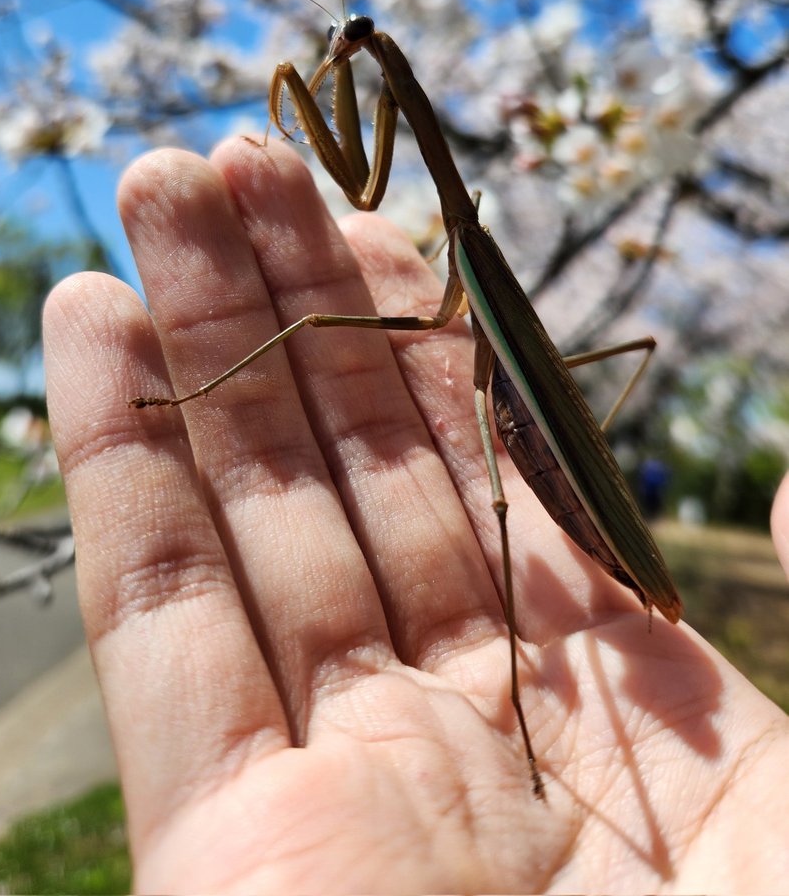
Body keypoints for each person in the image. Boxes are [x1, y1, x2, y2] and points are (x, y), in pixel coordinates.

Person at [43, 139, 789, 893]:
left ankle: (526, 735)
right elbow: (366, 195)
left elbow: (362, 196)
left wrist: (186, 395)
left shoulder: (467, 241)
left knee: (468, 474)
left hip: (533, 419)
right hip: (528, 401)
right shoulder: (468, 237)